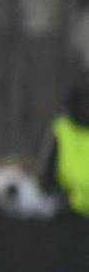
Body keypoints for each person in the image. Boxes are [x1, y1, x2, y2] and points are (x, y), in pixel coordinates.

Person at [39, 78, 89, 217]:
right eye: (85, 101)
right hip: (66, 212)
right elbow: (45, 174)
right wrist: (58, 197)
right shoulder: (61, 130)